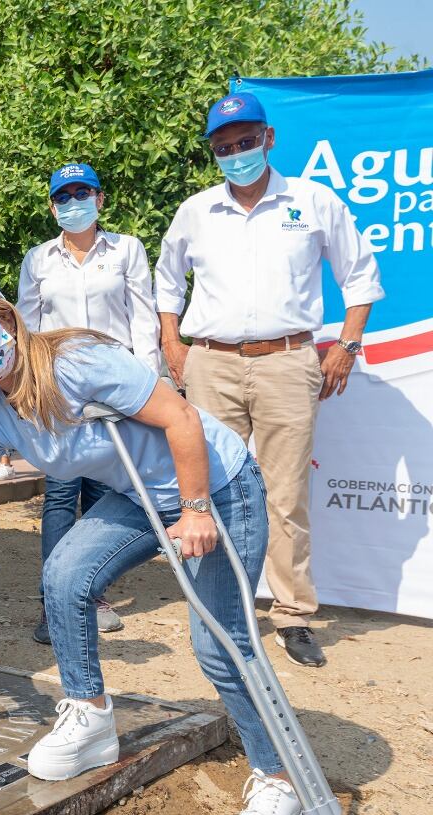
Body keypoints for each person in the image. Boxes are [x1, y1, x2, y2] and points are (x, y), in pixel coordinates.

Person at [0, 271, 308, 815]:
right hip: (139, 498)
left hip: (216, 488)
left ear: (6, 318)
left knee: (220, 642)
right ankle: (90, 716)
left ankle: (279, 781)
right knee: (63, 575)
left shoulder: (77, 362)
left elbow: (182, 420)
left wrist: (195, 509)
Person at [156, 92, 383, 667]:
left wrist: (347, 347)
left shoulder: (311, 201)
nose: (236, 154)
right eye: (224, 147)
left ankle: (292, 615)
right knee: (205, 490)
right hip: (211, 361)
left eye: (246, 141)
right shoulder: (197, 210)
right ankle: (218, 611)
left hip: (288, 360)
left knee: (285, 494)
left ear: (269, 139)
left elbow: (360, 276)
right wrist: (171, 342)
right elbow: (165, 280)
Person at [19, 162, 160, 643]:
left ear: (100, 199)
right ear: (53, 205)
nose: (73, 203)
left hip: (116, 387)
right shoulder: (39, 259)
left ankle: (92, 592)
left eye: (82, 193)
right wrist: (31, 388)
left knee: (103, 494)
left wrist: (148, 382)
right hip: (60, 391)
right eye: (63, 197)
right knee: (60, 495)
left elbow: (143, 320)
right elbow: (28, 325)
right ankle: (51, 600)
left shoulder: (127, 250)